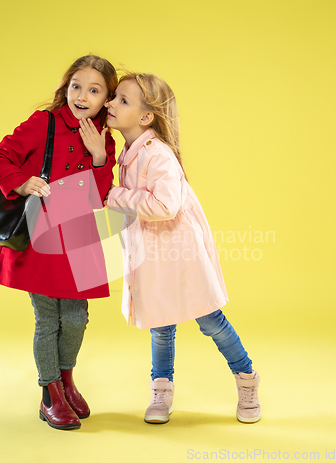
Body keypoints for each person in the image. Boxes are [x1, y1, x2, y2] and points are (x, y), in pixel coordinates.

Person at [104, 72, 261, 424]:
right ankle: (161, 391)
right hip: (152, 254)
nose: (111, 104)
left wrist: (114, 196)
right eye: (113, 97)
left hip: (179, 253)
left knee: (210, 320)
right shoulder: (128, 152)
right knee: (161, 324)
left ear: (146, 117)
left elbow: (165, 206)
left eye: (122, 100)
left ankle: (247, 379)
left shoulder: (157, 154)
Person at [0, 54, 117, 430]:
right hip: (40, 231)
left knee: (76, 317)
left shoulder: (106, 135)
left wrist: (100, 156)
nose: (82, 96)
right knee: (48, 319)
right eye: (77, 86)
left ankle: (65, 380)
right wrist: (22, 182)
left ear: (107, 97)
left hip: (79, 236)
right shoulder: (44, 123)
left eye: (94, 89)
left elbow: (99, 196)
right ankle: (49, 393)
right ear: (66, 88)